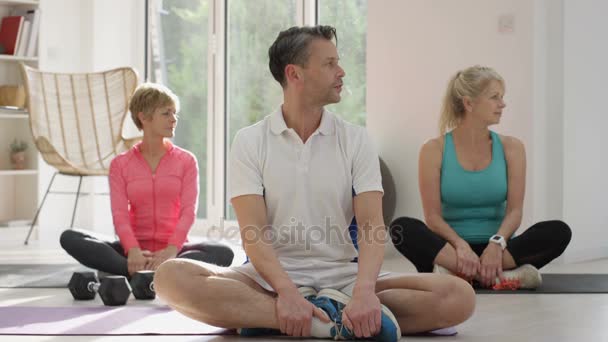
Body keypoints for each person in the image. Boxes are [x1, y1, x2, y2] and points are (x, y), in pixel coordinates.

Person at [153, 25, 474, 341]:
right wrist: (286, 292)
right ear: (295, 74)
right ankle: (320, 322)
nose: (342, 72)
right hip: (268, 279)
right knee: (170, 276)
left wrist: (364, 292)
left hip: (343, 277)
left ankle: (282, 316)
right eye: (330, 63)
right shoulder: (250, 141)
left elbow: (372, 227)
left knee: (458, 296)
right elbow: (254, 235)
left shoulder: (356, 139)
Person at [390, 65, 572, 289]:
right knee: (401, 228)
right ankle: (500, 276)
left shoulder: (512, 148)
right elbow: (433, 217)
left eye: (502, 97)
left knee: (558, 231)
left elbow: (515, 211)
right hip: (451, 249)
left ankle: (458, 274)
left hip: (500, 250)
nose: (502, 104)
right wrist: (460, 246)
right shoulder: (434, 149)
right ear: (469, 103)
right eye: (495, 97)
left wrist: (496, 244)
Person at [60, 83, 234, 277]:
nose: (174, 119)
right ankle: (148, 270)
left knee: (224, 252)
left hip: (174, 249)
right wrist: (132, 250)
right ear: (144, 117)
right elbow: (120, 214)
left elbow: (188, 212)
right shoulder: (121, 164)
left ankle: (138, 271)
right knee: (70, 237)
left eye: (174, 113)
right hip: (132, 250)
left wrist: (171, 249)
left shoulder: (186, 161)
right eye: (166, 113)